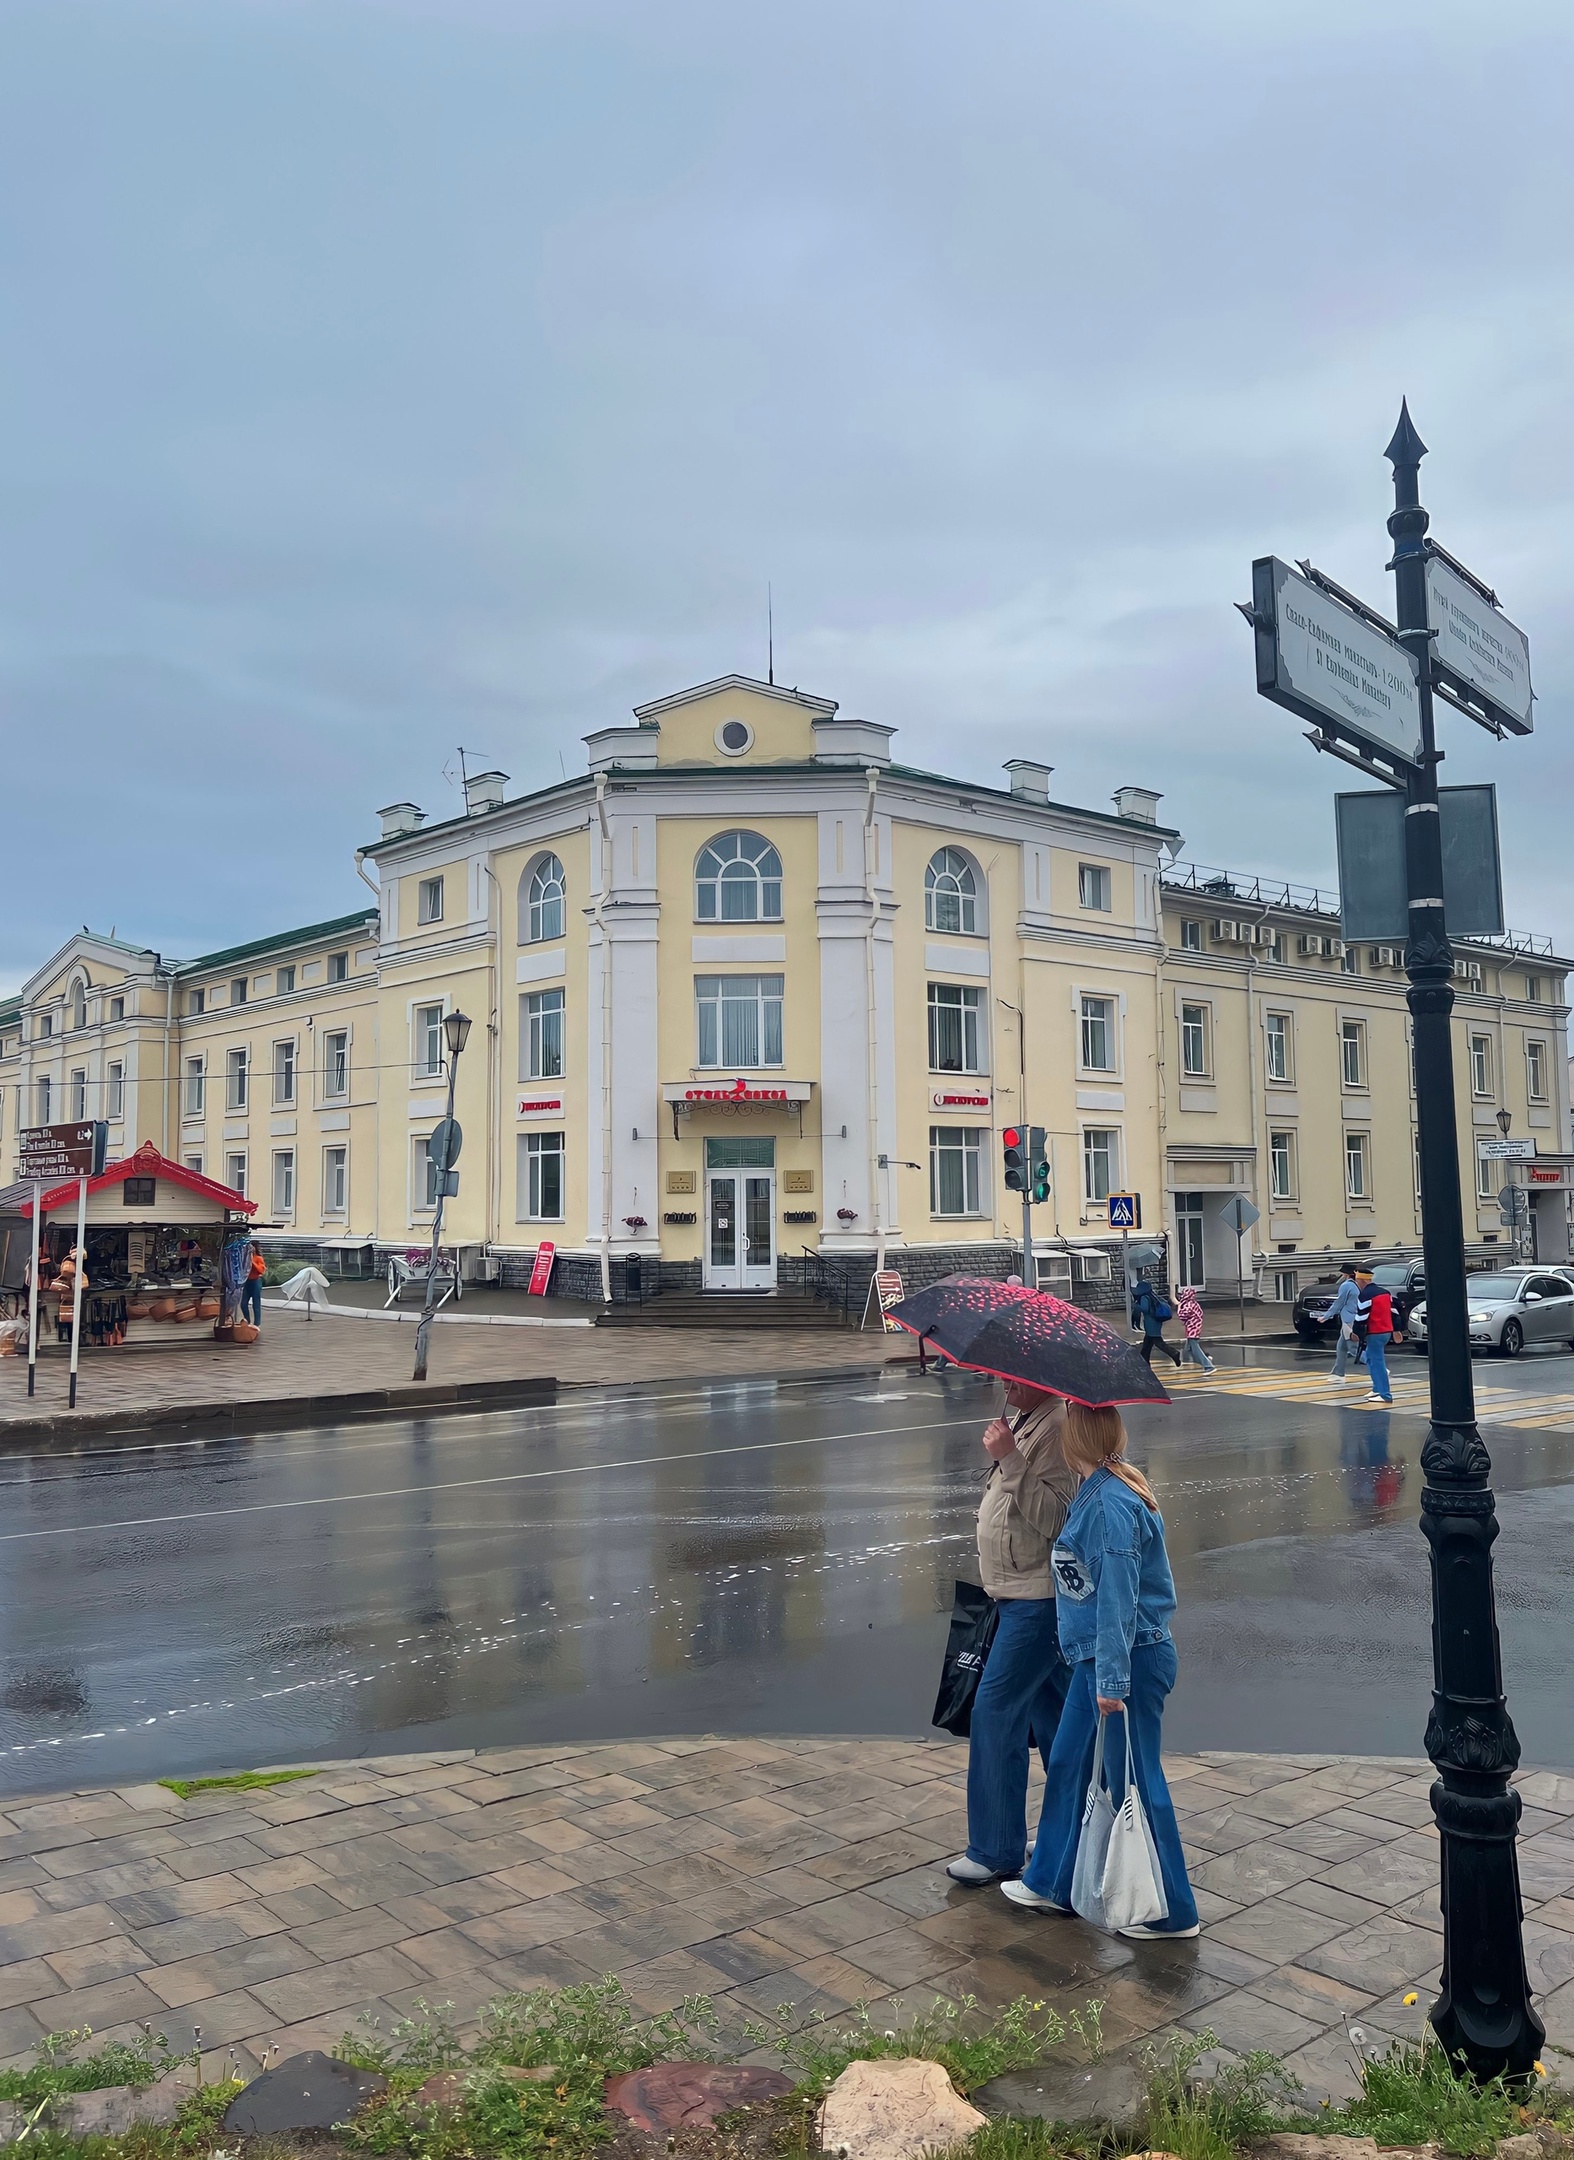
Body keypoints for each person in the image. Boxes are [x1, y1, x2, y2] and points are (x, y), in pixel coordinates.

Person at [1002, 1402, 1199, 1937]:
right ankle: (1052, 1883)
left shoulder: (1111, 1503)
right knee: (1068, 1762)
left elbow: (1118, 1599)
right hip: (1100, 1659)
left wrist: (1112, 1682)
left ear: (1078, 1440)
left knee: (1136, 1780)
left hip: (1125, 1661)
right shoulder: (1100, 1490)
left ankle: (1174, 1913)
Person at [947, 1381, 1078, 1887]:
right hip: (1017, 1592)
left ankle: (996, 1849)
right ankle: (1076, 1831)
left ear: (1042, 1378)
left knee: (995, 1712)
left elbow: (1058, 1518)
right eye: (1002, 1376)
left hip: (1037, 1597)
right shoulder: (1028, 1418)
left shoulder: (1057, 1425)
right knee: (1058, 1720)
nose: (1005, 1383)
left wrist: (1010, 1458)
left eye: (1014, 1378)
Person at [1322, 1262, 1366, 1384]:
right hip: (1354, 1319)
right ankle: (1338, 1373)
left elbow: (1339, 1302)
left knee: (1354, 1349)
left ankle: (1379, 1368)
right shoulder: (1357, 1285)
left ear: (1346, 1274)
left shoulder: (1346, 1285)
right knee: (1341, 1347)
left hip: (1348, 1321)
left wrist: (1326, 1316)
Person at [1357, 1267, 1393, 1405]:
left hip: (1374, 1332)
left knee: (1377, 1362)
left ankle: (1385, 1394)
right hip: (1386, 1330)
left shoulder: (1365, 1294)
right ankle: (1377, 1389)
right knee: (1371, 1359)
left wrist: (1357, 1333)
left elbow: (1361, 1317)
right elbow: (1394, 1311)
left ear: (1362, 1280)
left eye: (1357, 1280)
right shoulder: (1385, 1292)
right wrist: (1397, 1329)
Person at [1131, 1278, 1180, 1367]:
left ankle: (1174, 1353)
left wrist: (1136, 1306)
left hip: (1151, 1323)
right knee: (1147, 1345)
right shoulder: (1152, 1295)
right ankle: (1144, 1362)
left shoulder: (1144, 1297)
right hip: (1155, 1322)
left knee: (1158, 1342)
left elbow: (1145, 1309)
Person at [1174, 1284, 1213, 1372]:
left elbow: (1181, 1315)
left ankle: (1208, 1366)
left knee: (1195, 1349)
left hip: (1192, 1330)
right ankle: (1206, 1358)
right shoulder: (1194, 1303)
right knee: (1188, 1350)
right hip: (1194, 1329)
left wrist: (1179, 1306)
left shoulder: (1189, 1304)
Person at [241, 1241, 266, 1329]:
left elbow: (261, 1270)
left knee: (256, 1303)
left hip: (256, 1281)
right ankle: (247, 1320)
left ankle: (257, 1323)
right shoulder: (244, 1259)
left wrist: (252, 1262)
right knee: (243, 1303)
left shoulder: (258, 1258)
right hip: (246, 1282)